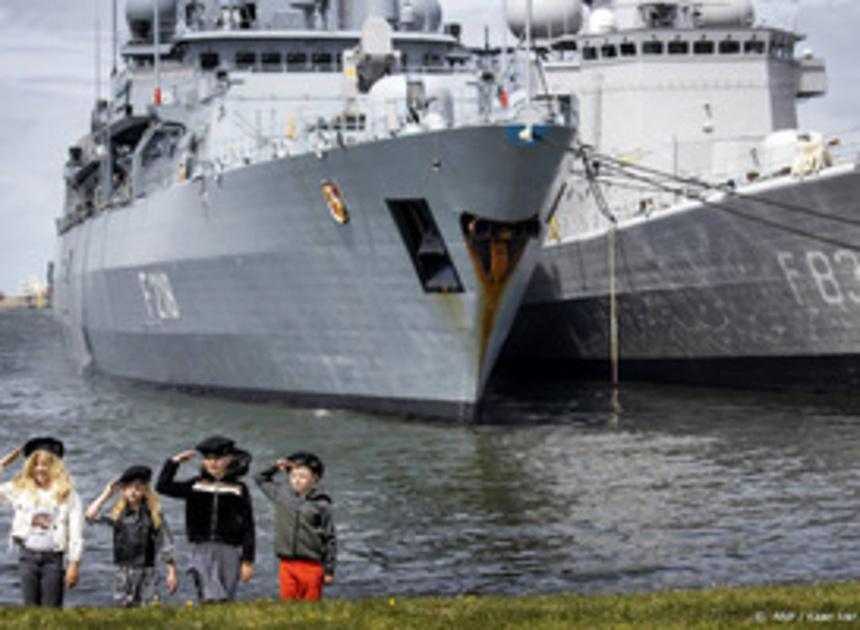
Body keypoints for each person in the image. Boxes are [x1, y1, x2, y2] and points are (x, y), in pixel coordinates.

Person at [156, 435, 255, 603]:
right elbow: (162, 486)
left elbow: (248, 526)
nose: (213, 463)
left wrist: (247, 560)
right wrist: (174, 463)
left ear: (229, 459)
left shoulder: (239, 488)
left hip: (230, 549)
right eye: (208, 458)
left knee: (226, 597)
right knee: (208, 595)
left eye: (218, 458)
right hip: (202, 547)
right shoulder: (195, 485)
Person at [0, 437, 83, 607]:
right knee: (30, 607)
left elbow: (76, 532)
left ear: (55, 467)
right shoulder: (20, 489)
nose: (40, 469)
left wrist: (74, 563)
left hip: (53, 558)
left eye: (46, 465)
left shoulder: (68, 494)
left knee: (51, 608)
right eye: (36, 464)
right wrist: (5, 462)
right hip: (27, 557)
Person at [85, 465, 178, 606]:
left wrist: (171, 572)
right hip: (123, 569)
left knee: (148, 606)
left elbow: (166, 543)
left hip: (147, 570)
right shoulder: (117, 514)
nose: (133, 492)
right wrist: (106, 495)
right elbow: (90, 516)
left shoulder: (154, 515)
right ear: (123, 490)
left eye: (138, 488)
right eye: (129, 488)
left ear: (145, 491)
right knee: (123, 605)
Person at [255, 451, 336, 601]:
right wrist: (276, 467)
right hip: (287, 564)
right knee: (288, 606)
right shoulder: (282, 494)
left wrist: (329, 571)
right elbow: (259, 478)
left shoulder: (322, 504)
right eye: (293, 476)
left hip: (312, 566)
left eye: (303, 477)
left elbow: (330, 538)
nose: (297, 481)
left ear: (315, 478)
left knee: (311, 606)